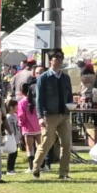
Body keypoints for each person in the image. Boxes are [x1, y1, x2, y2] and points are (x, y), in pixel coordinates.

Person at [32, 49, 72, 180]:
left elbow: (69, 95)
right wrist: (40, 117)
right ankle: (36, 166)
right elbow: (39, 99)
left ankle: (64, 173)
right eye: (56, 58)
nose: (59, 60)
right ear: (50, 61)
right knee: (47, 142)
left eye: (61, 58)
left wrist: (71, 105)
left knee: (66, 144)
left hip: (64, 115)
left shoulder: (66, 77)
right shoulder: (43, 78)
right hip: (49, 115)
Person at [17, 82, 41, 173]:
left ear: (22, 92)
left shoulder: (22, 102)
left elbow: (21, 116)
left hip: (27, 127)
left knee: (29, 148)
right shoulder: (36, 100)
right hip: (38, 126)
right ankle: (42, 165)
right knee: (40, 147)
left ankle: (31, 167)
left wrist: (20, 124)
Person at [5, 99, 21, 174]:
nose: (17, 107)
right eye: (16, 106)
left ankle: (12, 168)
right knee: (11, 153)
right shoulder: (8, 117)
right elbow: (6, 127)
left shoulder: (15, 116)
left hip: (16, 137)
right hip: (11, 137)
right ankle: (9, 169)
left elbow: (17, 126)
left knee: (15, 153)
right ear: (11, 107)